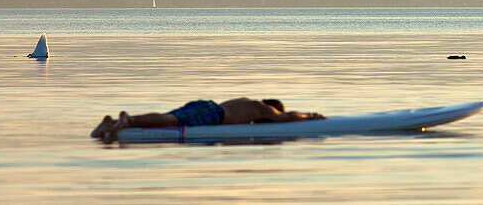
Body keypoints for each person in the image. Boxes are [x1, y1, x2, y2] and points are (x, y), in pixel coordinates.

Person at [91, 98, 326, 143]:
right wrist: (312, 116)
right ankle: (128, 121)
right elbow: (289, 117)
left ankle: (119, 123)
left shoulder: (248, 103)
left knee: (170, 118)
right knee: (171, 120)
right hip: (213, 114)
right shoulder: (261, 109)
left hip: (207, 106)